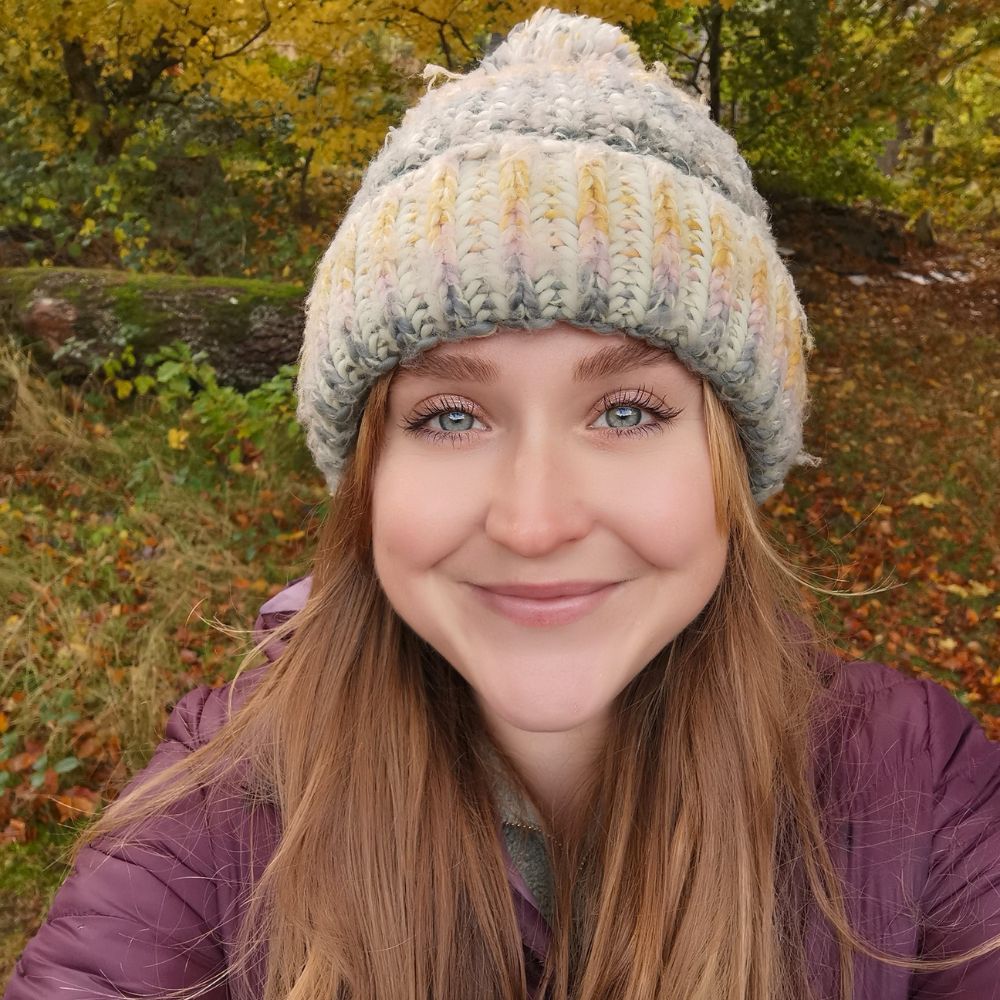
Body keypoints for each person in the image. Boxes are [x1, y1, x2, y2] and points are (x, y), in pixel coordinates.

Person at [6, 9, 1000, 1000]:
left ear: (730, 466)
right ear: (367, 475)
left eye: (624, 408)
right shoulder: (218, 818)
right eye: (447, 417)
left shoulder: (917, 793)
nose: (534, 523)